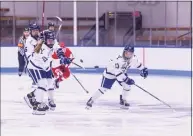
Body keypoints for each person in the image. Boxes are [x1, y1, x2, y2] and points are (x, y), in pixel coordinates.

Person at [24, 23, 71, 115]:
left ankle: (37, 97)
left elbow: (57, 47)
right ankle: (37, 105)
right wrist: (61, 61)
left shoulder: (49, 39)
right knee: (42, 84)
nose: (51, 43)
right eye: (48, 41)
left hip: (44, 66)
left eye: (52, 41)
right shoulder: (39, 46)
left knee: (50, 83)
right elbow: (48, 59)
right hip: (35, 66)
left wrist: (62, 56)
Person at [86, 45, 148, 109]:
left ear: (132, 54)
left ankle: (123, 99)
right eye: (127, 53)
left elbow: (137, 64)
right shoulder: (118, 60)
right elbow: (118, 73)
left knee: (127, 87)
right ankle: (91, 100)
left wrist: (144, 69)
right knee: (104, 88)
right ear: (124, 52)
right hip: (110, 74)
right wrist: (127, 80)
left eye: (130, 53)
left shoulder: (133, 59)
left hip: (121, 73)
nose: (128, 55)